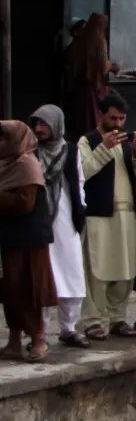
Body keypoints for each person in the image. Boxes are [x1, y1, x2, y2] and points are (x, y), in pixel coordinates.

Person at [77, 93, 136, 339]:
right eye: (112, 118)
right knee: (97, 268)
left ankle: (118, 317)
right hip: (100, 214)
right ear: (101, 115)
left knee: (126, 269)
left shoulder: (127, 141)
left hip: (128, 215)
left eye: (121, 118)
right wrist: (104, 149)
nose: (117, 123)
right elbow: (83, 172)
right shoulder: (87, 141)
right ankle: (93, 320)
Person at [29, 105, 86, 348]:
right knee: (43, 275)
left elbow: (79, 182)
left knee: (70, 271)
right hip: (40, 221)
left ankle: (68, 328)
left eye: (44, 124)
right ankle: (39, 329)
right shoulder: (30, 152)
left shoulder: (70, 151)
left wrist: (80, 211)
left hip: (65, 219)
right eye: (36, 124)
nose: (39, 129)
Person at [0, 121, 56, 360]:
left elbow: (25, 203)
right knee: (10, 289)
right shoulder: (6, 164)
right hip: (10, 237)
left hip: (29, 240)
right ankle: (14, 341)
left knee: (27, 288)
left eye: (3, 138)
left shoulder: (26, 164)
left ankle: (38, 339)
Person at [65, 14, 114, 137]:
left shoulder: (79, 44)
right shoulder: (99, 41)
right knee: (94, 121)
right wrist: (111, 66)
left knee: (84, 122)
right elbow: (102, 67)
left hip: (80, 89)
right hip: (92, 90)